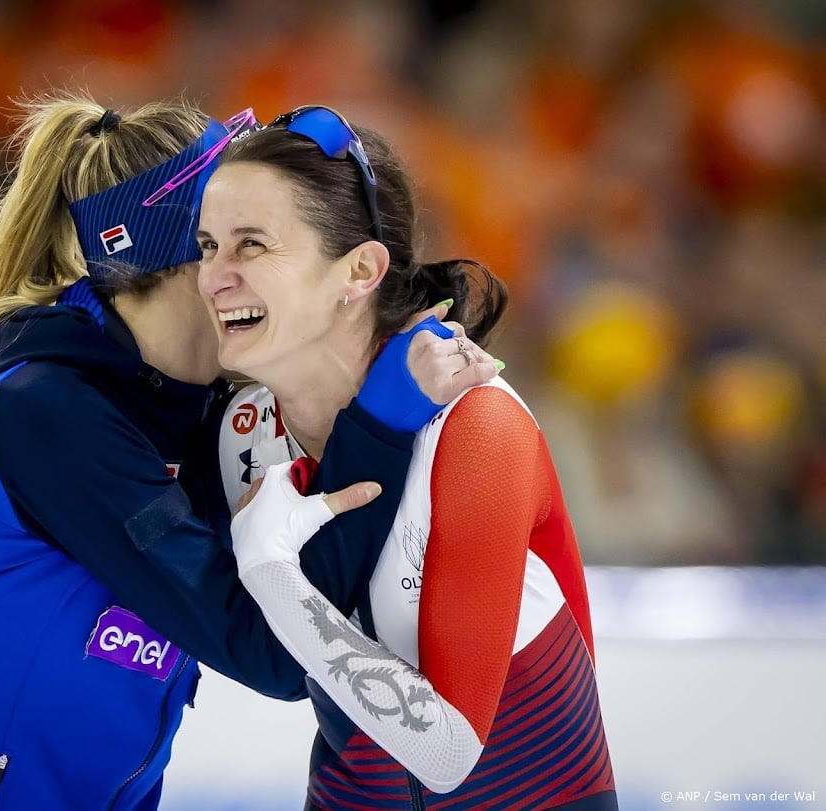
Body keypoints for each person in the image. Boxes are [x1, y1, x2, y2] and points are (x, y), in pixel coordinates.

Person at [0, 94, 496, 811]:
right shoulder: (54, 413)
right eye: (232, 241)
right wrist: (381, 422)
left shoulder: (197, 404)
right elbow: (278, 650)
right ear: (185, 260)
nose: (252, 267)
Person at [136, 106, 619, 809]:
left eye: (251, 245)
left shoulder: (477, 426)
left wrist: (273, 572)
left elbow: (448, 751)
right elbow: (107, 529)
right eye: (208, 246)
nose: (212, 278)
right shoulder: (238, 433)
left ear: (359, 269)